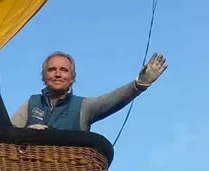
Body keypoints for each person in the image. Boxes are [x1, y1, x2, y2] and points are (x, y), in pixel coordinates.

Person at [10, 51, 168, 131]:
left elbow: (110, 101)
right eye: (52, 70)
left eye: (64, 70)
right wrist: (26, 134)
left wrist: (139, 84)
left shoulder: (83, 106)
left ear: (72, 77)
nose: (58, 74)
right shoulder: (31, 103)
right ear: (44, 76)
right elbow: (7, 133)